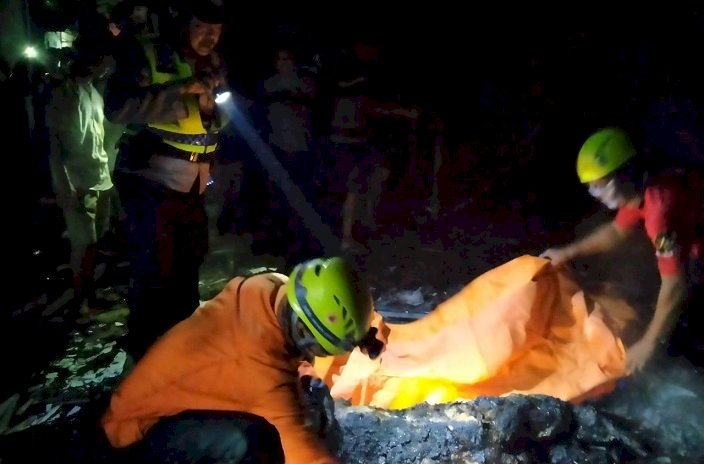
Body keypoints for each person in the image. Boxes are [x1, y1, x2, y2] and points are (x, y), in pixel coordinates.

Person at [101, 256, 383, 463]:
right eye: (321, 349)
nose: (319, 356)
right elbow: (306, 458)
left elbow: (313, 322)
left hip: (167, 402)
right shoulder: (260, 372)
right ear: (302, 331)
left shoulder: (272, 288)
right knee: (252, 443)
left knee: (312, 394)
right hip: (134, 437)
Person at [104, 0, 230, 358]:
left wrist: (210, 108)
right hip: (151, 184)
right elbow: (117, 107)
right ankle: (147, 357)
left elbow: (216, 121)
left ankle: (184, 352)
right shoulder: (148, 53)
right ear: (182, 22)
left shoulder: (215, 65)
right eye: (202, 26)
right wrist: (181, 89)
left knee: (188, 269)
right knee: (153, 275)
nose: (210, 36)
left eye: (217, 29)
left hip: (192, 187)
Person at [541, 127, 703, 372]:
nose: (596, 194)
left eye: (601, 185)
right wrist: (567, 253)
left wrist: (649, 343)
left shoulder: (659, 213)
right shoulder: (642, 188)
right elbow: (617, 230)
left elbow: (675, 283)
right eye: (590, 187)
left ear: (627, 173)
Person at [45, 34, 114, 311]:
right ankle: (81, 301)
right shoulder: (65, 93)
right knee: (83, 245)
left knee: (92, 243)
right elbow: (55, 145)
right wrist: (65, 185)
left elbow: (100, 136)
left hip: (99, 177)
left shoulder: (92, 91)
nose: (105, 67)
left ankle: (89, 295)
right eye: (101, 62)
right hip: (79, 179)